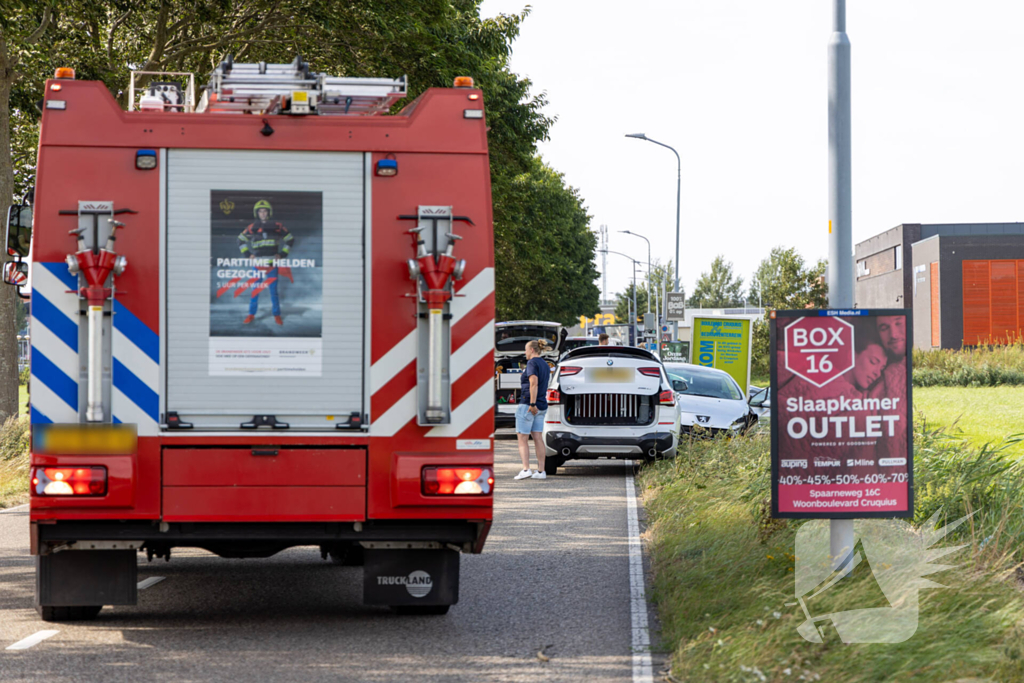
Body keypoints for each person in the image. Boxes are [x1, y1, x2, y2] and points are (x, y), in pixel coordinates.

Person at [238, 199, 294, 325]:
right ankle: (251, 314)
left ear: (269, 212)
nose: (262, 213)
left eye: (265, 211)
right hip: (257, 266)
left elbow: (290, 239)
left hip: (271, 265)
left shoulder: (277, 226)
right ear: (256, 213)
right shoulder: (251, 228)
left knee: (273, 292)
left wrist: (283, 254)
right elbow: (240, 240)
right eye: (260, 211)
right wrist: (247, 254)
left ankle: (277, 315)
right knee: (255, 291)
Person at [514, 339, 552, 480]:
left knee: (522, 438)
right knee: (538, 438)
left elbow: (534, 383)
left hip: (529, 405)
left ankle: (526, 469)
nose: (524, 353)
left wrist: (532, 403)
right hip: (542, 405)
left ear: (531, 350)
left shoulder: (531, 363)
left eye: (525, 349)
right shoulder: (545, 364)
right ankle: (541, 471)